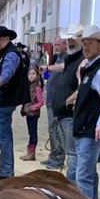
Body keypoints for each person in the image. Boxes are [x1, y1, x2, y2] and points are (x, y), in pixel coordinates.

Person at [68, 25, 100, 199]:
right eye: (84, 43)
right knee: (89, 173)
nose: (86, 47)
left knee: (83, 176)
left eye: (90, 43)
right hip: (84, 127)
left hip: (90, 129)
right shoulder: (89, 67)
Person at [0, 24, 29, 179]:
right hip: (0, 101)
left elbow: (8, 70)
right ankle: (5, 169)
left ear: (5, 39)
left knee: (3, 137)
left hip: (3, 101)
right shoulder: (6, 52)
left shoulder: (10, 54)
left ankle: (6, 171)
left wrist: (1, 81)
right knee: (2, 137)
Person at [46, 25, 84, 178]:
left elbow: (84, 84)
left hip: (70, 114)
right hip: (62, 113)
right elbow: (62, 67)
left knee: (72, 152)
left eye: (73, 39)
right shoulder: (70, 57)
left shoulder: (82, 60)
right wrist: (48, 68)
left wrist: (72, 97)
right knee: (69, 151)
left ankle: (72, 184)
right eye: (68, 39)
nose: (70, 42)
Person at [42, 35, 67, 170]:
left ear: (66, 45)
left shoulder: (66, 59)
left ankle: (58, 158)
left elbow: (63, 68)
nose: (56, 47)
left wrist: (48, 68)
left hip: (57, 101)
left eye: (59, 45)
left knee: (56, 130)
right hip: (50, 99)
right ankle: (53, 155)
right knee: (51, 129)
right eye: (55, 45)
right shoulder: (57, 58)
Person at [20, 67, 44, 161]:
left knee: (33, 133)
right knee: (30, 132)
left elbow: (41, 102)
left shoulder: (37, 88)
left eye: (33, 74)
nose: (31, 76)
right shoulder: (28, 86)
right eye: (29, 74)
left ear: (37, 75)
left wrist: (31, 108)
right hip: (28, 113)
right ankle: (29, 152)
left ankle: (32, 153)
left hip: (33, 114)